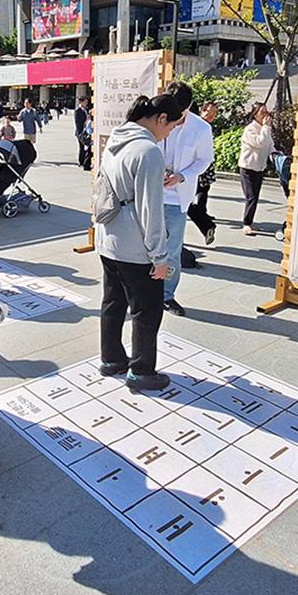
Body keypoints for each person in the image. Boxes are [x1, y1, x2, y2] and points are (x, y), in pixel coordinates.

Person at [95, 94, 186, 391]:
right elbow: (150, 210)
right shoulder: (148, 151)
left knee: (113, 302)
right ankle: (142, 370)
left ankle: (111, 360)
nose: (168, 134)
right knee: (147, 310)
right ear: (160, 119)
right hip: (136, 247)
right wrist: (160, 257)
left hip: (109, 239)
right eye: (170, 127)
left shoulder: (115, 140)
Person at [158, 83, 214, 317]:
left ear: (189, 106)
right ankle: (143, 292)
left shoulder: (200, 128)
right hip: (150, 194)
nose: (174, 118)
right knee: (144, 246)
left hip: (177, 198)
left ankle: (167, 295)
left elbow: (204, 160)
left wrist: (182, 176)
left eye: (179, 113)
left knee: (172, 251)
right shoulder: (155, 118)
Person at [238, 102, 274, 236]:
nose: (265, 114)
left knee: (255, 196)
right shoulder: (250, 129)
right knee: (251, 197)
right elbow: (260, 142)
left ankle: (250, 222)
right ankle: (246, 224)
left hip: (259, 167)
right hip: (248, 167)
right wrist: (266, 127)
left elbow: (269, 144)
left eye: (266, 111)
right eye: (262, 112)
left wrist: (275, 153)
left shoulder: (265, 128)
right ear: (255, 114)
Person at [187, 101, 220, 246]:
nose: (212, 116)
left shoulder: (202, 127)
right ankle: (206, 224)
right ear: (202, 111)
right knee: (190, 203)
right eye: (209, 113)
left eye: (214, 114)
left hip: (199, 171)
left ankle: (206, 224)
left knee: (192, 202)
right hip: (193, 171)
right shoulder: (198, 126)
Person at [74, 96, 91, 165]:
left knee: (86, 146)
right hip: (80, 131)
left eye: (87, 102)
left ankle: (84, 160)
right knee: (82, 147)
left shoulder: (86, 109)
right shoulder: (78, 110)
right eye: (85, 102)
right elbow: (77, 122)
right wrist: (80, 132)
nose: (86, 103)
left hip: (87, 130)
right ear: (81, 102)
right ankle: (81, 161)